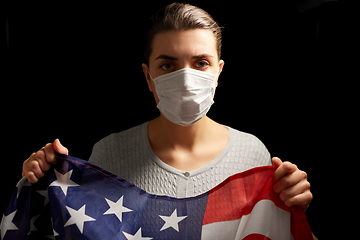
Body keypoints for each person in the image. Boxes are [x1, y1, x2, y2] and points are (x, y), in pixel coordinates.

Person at [22, 3, 312, 211]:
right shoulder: (109, 155)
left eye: (200, 63)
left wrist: (294, 208)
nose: (185, 79)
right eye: (168, 65)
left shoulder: (252, 154)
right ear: (148, 77)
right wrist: (41, 181)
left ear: (219, 72)